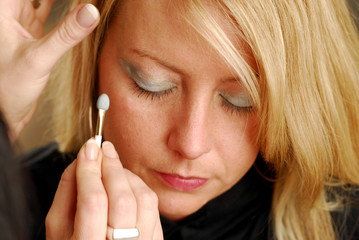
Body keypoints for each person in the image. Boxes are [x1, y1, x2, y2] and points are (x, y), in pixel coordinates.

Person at [1, 0, 359, 239]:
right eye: (152, 84)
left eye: (241, 101)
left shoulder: (345, 223)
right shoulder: (15, 206)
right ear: (93, 57)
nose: (190, 144)